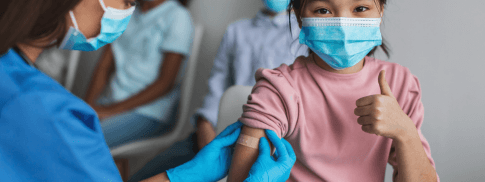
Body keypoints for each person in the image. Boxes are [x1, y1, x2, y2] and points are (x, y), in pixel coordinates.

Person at [0, 0, 295, 181]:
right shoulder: (54, 117)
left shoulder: (21, 84)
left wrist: (181, 176)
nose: (128, 10)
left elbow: (165, 83)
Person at [227, 0, 441, 181]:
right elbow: (241, 176)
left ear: (381, 11)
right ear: (300, 17)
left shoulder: (400, 83)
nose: (342, 24)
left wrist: (405, 132)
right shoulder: (278, 89)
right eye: (323, 10)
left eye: (360, 8)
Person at [128, 0, 307, 181]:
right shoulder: (237, 30)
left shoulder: (305, 35)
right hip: (222, 134)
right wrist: (205, 124)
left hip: (275, 141)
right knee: (141, 176)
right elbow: (217, 84)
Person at [84, 0, 193, 148]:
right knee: (67, 127)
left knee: (84, 140)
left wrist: (110, 111)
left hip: (149, 113)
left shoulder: (178, 17)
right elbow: (104, 67)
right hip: (112, 102)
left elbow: (166, 83)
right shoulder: (125, 13)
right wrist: (87, 107)